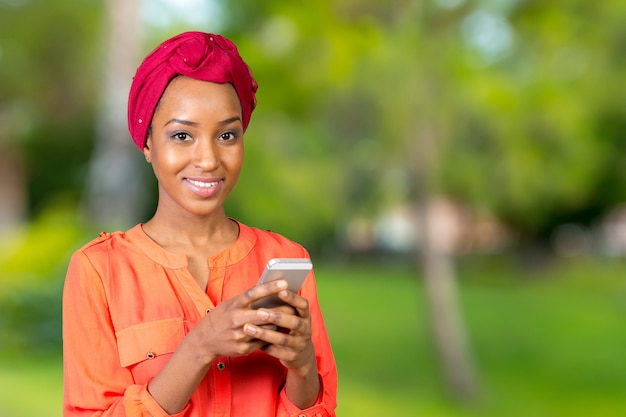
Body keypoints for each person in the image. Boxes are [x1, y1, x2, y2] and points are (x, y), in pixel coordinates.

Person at [62, 31, 337, 417]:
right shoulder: (99, 271)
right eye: (182, 135)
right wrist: (200, 346)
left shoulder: (286, 260)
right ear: (147, 144)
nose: (208, 159)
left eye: (227, 134)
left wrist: (303, 364)